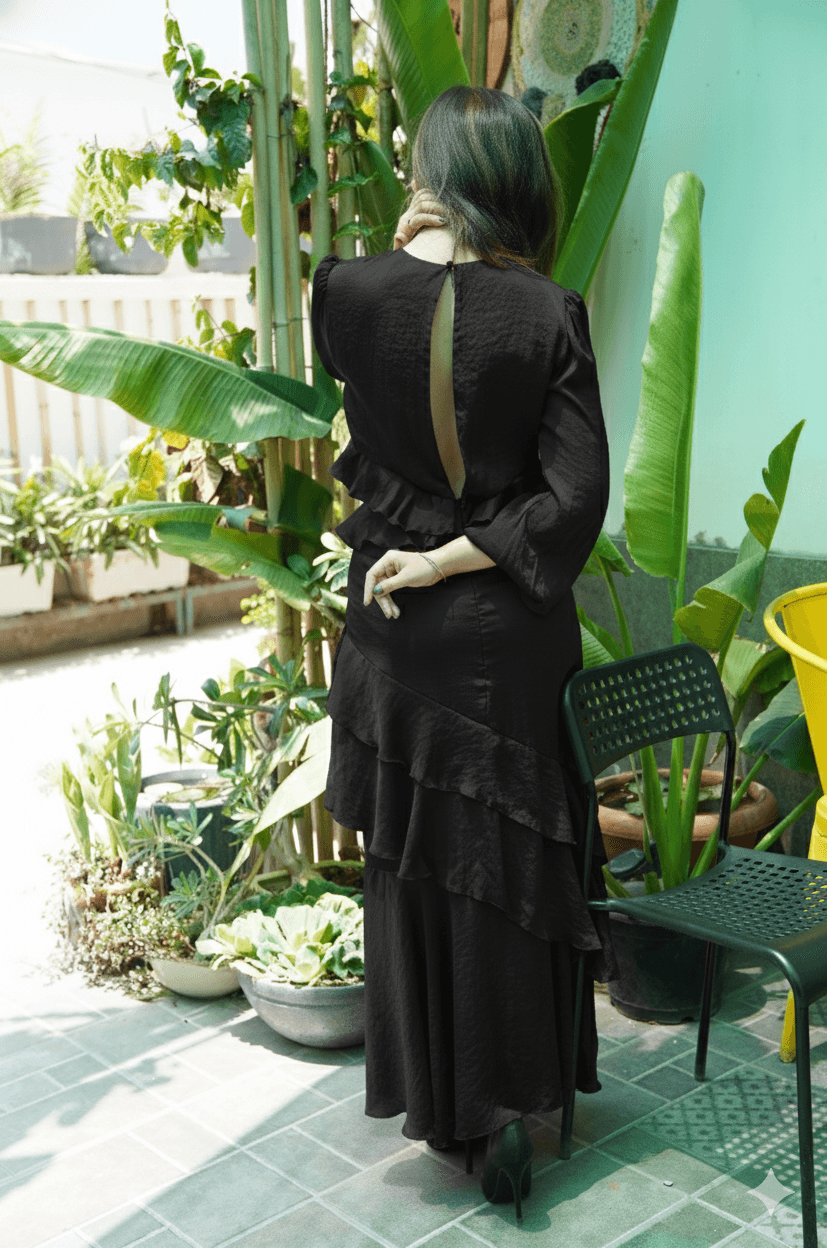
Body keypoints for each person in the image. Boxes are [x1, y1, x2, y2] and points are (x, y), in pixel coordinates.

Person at [309, 84, 617, 1222]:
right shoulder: (548, 314)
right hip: (509, 632)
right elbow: (573, 500)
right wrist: (455, 557)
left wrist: (410, 246)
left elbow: (378, 383)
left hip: (394, 631)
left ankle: (446, 1105)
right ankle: (516, 1108)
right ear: (520, 182)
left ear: (429, 174)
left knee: (420, 862)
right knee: (513, 861)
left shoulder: (346, 291)